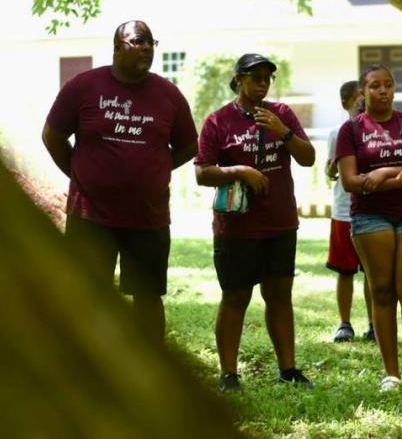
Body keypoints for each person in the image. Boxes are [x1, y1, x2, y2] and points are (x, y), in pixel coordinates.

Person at [42, 20, 198, 340]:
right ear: (117, 47)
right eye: (138, 41)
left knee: (147, 297)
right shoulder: (83, 86)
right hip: (90, 217)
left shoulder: (168, 94)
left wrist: (154, 169)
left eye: (151, 43)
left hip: (148, 218)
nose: (146, 48)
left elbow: (188, 146)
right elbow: (52, 136)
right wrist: (79, 172)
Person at [194, 53, 316, 393]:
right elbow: (203, 172)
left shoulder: (282, 114)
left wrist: (284, 132)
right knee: (235, 296)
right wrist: (239, 171)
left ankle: (288, 370)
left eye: (267, 77)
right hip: (237, 227)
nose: (262, 82)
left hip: (279, 222)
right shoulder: (218, 121)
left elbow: (308, 159)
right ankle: (229, 374)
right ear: (239, 79)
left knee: (280, 295)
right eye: (255, 76)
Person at [337, 65, 402, 392]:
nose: (383, 91)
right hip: (369, 217)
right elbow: (351, 182)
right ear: (364, 92)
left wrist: (382, 174)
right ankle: (391, 372)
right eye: (375, 86)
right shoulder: (351, 129)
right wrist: (399, 178)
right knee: (383, 289)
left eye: (388, 85)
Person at [325, 81, 374, 343]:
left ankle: (373, 323)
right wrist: (333, 166)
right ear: (345, 103)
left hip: (371, 209)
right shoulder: (337, 133)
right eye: (357, 97)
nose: (362, 101)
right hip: (344, 211)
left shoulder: (376, 132)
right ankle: (344, 323)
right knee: (345, 271)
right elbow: (328, 172)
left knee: (371, 271)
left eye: (363, 96)